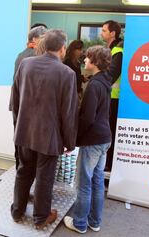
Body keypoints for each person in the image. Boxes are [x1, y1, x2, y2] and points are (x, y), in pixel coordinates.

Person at [9, 29, 78, 229]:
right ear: (63, 48)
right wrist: (69, 141)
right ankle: (41, 218)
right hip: (49, 138)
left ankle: (17, 211)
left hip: (23, 132)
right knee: (44, 179)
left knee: (23, 172)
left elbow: (15, 100)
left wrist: (18, 126)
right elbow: (69, 113)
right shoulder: (67, 73)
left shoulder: (25, 64)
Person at [63, 45, 112, 234]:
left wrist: (74, 139)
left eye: (88, 57)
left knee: (84, 183)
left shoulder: (93, 85)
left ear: (95, 62)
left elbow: (87, 118)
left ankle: (80, 223)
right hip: (104, 138)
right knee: (97, 182)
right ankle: (94, 221)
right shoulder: (104, 81)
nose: (84, 60)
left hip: (93, 141)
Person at [10, 25, 47, 170]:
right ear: (35, 39)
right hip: (27, 106)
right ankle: (24, 173)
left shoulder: (22, 54)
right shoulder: (34, 56)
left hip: (18, 104)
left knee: (19, 138)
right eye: (44, 38)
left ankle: (20, 169)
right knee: (27, 142)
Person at [101, 20, 123, 171]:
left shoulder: (118, 50)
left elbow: (111, 75)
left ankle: (108, 166)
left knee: (110, 132)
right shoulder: (109, 49)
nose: (101, 33)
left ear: (112, 33)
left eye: (104, 30)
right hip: (107, 97)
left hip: (114, 99)